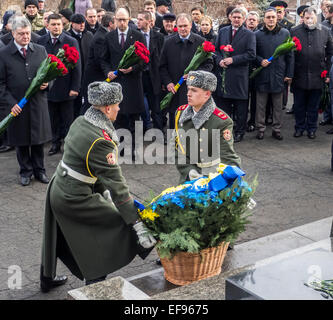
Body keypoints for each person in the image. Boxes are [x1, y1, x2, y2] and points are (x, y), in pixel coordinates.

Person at [40, 81, 155, 292]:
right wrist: (137, 224)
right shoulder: (101, 141)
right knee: (108, 230)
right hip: (75, 197)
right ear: (108, 108)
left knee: (55, 236)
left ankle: (47, 278)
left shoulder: (81, 121)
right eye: (118, 105)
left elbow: (87, 164)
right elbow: (118, 186)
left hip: (60, 186)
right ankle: (95, 283)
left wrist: (103, 193)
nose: (120, 109)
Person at [0, 16, 51, 186]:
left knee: (38, 140)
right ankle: (25, 171)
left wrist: (47, 83)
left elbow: (50, 74)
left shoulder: (40, 50)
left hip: (37, 103)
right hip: (16, 105)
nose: (26, 37)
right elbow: (1, 84)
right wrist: (10, 103)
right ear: (13, 33)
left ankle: (40, 170)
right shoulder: (4, 54)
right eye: (21, 34)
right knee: (21, 141)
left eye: (28, 33)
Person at [174, 70, 241, 184]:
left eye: (194, 90)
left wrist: (232, 186)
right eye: (188, 89)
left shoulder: (221, 121)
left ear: (207, 94)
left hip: (213, 181)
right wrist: (190, 172)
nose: (188, 94)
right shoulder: (180, 114)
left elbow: (228, 157)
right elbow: (178, 149)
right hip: (189, 179)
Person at [100, 7, 147, 159]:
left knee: (134, 118)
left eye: (124, 20)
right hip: (116, 83)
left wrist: (132, 68)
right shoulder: (109, 37)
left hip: (133, 83)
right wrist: (107, 71)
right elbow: (104, 59)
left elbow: (145, 61)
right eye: (119, 20)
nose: (121, 22)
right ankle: (120, 147)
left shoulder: (138, 35)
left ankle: (133, 149)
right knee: (118, 118)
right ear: (114, 20)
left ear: (129, 20)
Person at [159, 13, 213, 130]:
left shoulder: (200, 41)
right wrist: (168, 82)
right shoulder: (168, 42)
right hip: (175, 89)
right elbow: (162, 66)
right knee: (176, 118)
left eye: (185, 26)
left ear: (191, 26)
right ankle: (175, 142)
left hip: (194, 88)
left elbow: (208, 64)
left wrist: (195, 75)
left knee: (193, 119)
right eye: (180, 26)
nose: (183, 29)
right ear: (176, 26)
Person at [37, 13, 81, 155]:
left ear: (63, 25)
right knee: (53, 119)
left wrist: (75, 87)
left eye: (59, 24)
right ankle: (55, 143)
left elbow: (77, 66)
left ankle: (69, 146)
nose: (56, 27)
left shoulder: (71, 41)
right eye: (53, 24)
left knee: (68, 119)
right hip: (48, 88)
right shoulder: (41, 41)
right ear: (47, 25)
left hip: (66, 87)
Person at [290, 7, 333, 139]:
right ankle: (299, 127)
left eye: (312, 18)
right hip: (299, 75)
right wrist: (290, 74)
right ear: (303, 18)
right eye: (306, 18)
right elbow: (290, 55)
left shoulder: (325, 31)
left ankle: (311, 128)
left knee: (313, 105)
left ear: (316, 18)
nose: (309, 20)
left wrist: (326, 73)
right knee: (299, 105)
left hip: (317, 75)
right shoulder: (294, 31)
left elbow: (330, 53)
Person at [215, 8, 256, 143]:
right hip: (224, 77)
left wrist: (233, 59)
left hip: (239, 77)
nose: (237, 19)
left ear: (243, 19)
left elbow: (251, 54)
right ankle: (226, 131)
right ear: (230, 17)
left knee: (240, 108)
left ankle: (239, 132)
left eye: (239, 17)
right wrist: (220, 60)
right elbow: (216, 51)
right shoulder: (222, 31)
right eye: (235, 17)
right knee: (224, 107)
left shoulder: (249, 34)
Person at [254, 8, 293, 141]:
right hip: (263, 74)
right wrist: (260, 60)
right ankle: (260, 128)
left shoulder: (285, 33)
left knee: (278, 105)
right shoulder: (257, 34)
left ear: (277, 18)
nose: (271, 19)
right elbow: (252, 53)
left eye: (273, 17)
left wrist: (289, 74)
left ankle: (277, 129)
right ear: (264, 19)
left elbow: (290, 56)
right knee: (261, 105)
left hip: (278, 74)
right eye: (268, 17)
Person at [137, 11, 164, 132]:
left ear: (148, 21)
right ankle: (145, 129)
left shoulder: (158, 37)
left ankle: (158, 131)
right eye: (138, 19)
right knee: (141, 105)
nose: (138, 22)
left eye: (141, 19)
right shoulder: (135, 36)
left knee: (156, 105)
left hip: (154, 75)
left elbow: (162, 58)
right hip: (139, 75)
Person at [83, 13, 115, 113]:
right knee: (91, 106)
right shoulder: (101, 37)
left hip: (98, 77)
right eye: (116, 22)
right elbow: (100, 59)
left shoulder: (104, 34)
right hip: (95, 77)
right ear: (110, 24)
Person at [67, 14, 93, 119]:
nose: (82, 25)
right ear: (72, 24)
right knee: (74, 104)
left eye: (83, 23)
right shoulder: (68, 36)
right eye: (79, 23)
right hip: (74, 74)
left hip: (87, 73)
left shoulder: (89, 35)